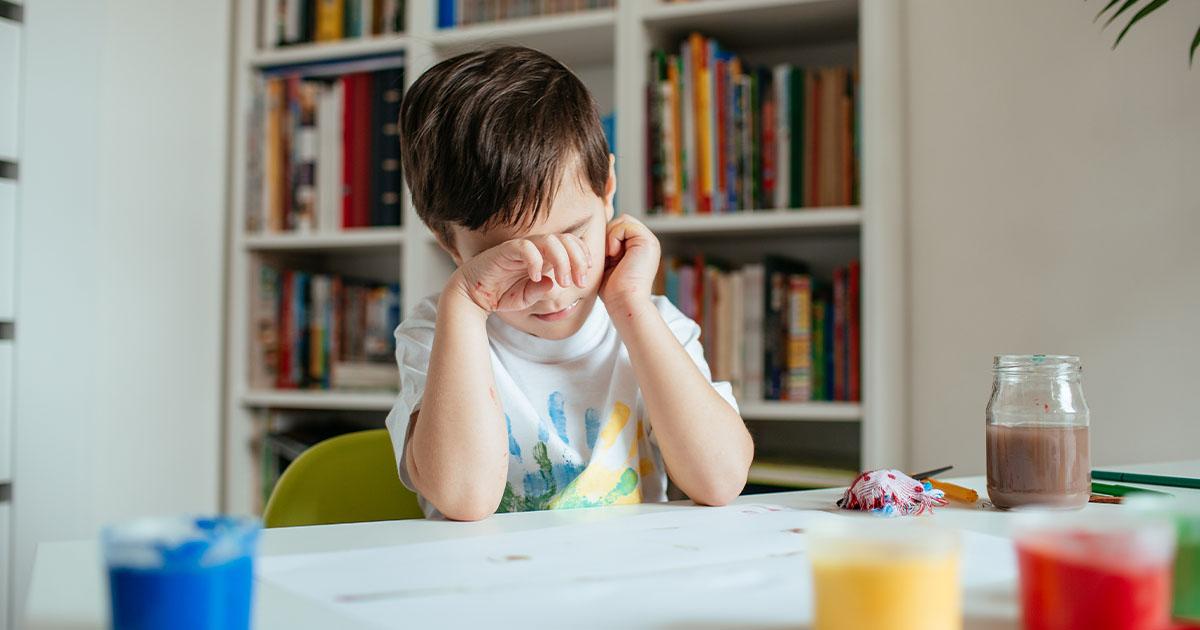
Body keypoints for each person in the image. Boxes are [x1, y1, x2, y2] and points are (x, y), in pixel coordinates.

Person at [387, 46, 752, 520]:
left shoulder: (653, 322)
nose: (550, 283)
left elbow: (721, 481)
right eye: (507, 258)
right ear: (449, 243)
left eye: (573, 235)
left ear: (607, 192)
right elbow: (463, 499)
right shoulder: (440, 334)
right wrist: (466, 301)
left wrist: (632, 311)